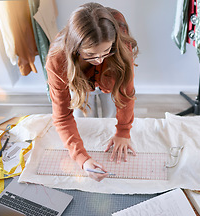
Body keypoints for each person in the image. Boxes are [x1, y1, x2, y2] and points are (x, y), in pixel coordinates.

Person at [46, 2, 138, 182]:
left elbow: (125, 95)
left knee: (110, 112)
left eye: (106, 51)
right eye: (90, 55)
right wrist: (81, 157)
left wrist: (123, 132)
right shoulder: (57, 60)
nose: (99, 59)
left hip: (110, 78)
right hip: (77, 81)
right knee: (83, 118)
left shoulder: (121, 47)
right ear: (75, 48)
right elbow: (63, 116)